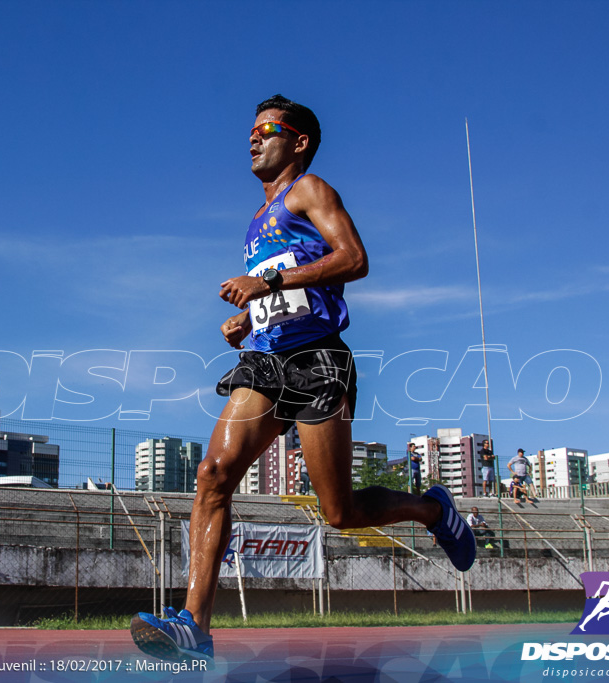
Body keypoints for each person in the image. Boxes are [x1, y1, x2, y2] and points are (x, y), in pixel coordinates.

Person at [130, 94, 475, 662]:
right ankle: (195, 625)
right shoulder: (254, 223)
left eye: (266, 129)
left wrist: (269, 286)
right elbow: (288, 291)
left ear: (300, 141)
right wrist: (250, 316)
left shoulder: (310, 190)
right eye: (250, 131)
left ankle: (432, 510)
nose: (253, 138)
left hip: (318, 362)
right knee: (213, 474)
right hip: (265, 362)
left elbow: (354, 258)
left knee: (339, 512)